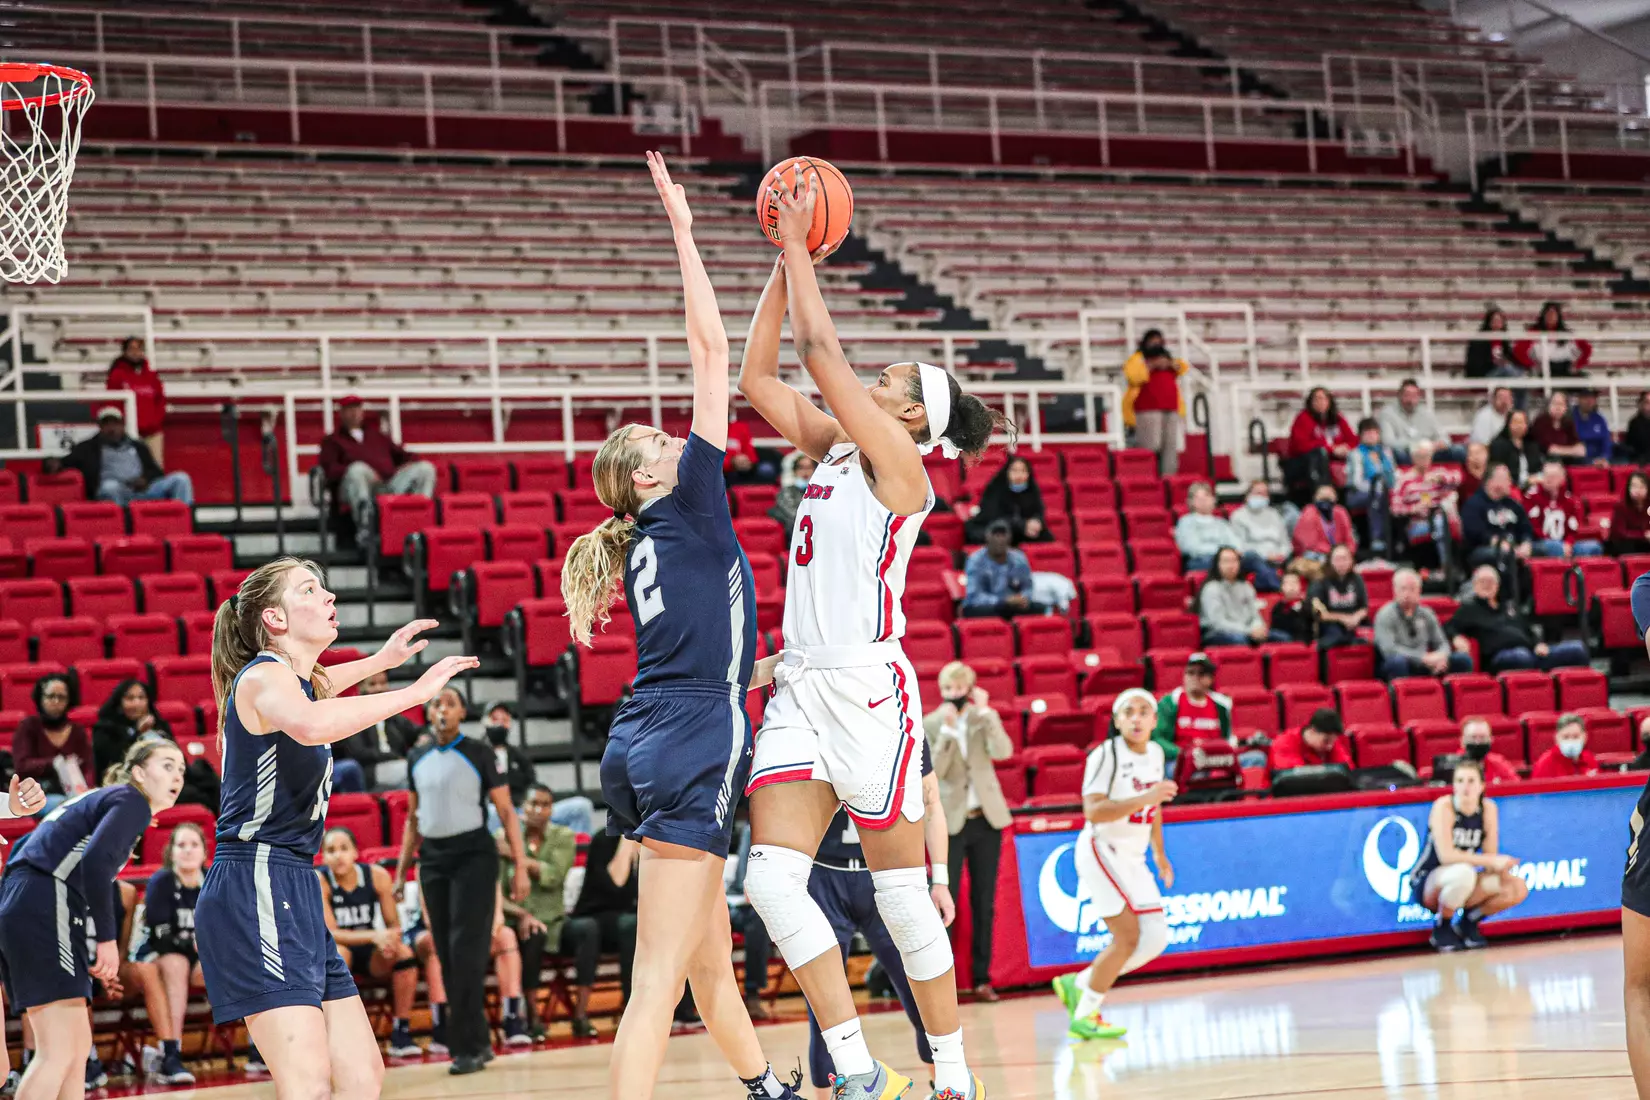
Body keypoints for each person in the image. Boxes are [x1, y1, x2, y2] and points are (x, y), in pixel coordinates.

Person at [737, 167, 1005, 1100]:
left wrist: (803, 239)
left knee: (901, 899)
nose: (875, 375)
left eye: (887, 377)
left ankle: (956, 1074)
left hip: (871, 692)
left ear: (910, 414)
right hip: (802, 683)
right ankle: (854, 1068)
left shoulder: (902, 465)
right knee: (771, 884)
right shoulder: (843, 446)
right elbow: (757, 375)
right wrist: (786, 255)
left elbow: (816, 347)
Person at [558, 153, 800, 1100]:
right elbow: (711, 355)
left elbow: (707, 646)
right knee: (655, 978)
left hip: (647, 733)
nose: (677, 437)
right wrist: (686, 232)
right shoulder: (690, 500)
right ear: (648, 476)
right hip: (697, 731)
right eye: (660, 442)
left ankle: (766, 1090)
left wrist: (768, 664)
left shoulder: (649, 536)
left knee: (705, 963)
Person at [194, 556, 476, 1100]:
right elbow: (311, 721)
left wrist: (381, 658)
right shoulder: (262, 678)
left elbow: (320, 690)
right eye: (309, 589)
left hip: (294, 882)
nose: (329, 597)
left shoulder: (293, 681)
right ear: (274, 619)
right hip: (255, 879)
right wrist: (414, 693)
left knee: (361, 1077)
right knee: (307, 1084)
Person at [0, 743, 159, 1100]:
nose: (178, 776)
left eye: (180, 768)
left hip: (23, 899)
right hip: (39, 902)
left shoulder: (89, 808)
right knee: (57, 1053)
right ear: (138, 772)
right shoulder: (129, 803)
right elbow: (95, 865)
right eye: (167, 765)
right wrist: (106, 940)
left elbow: (28, 845)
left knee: (74, 1049)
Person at [801, 743, 952, 1098]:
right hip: (823, 877)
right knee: (822, 1011)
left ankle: (946, 1086)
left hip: (883, 877)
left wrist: (941, 879)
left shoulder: (902, 722)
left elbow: (931, 803)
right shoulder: (815, 715)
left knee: (921, 997)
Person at [392, 685, 529, 1072]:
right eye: (436, 703)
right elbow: (413, 820)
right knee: (446, 951)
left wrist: (519, 865)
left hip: (474, 856)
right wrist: (402, 872)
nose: (442, 710)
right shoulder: (416, 755)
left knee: (465, 950)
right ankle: (479, 1040)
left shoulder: (480, 753)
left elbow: (505, 812)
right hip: (433, 859)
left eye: (450, 704)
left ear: (462, 713)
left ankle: (465, 1045)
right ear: (429, 712)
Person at [1051, 689, 1175, 1041]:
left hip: (1134, 856)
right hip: (1101, 849)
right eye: (1128, 712)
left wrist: (1159, 853)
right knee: (1127, 937)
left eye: (1143, 712)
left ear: (1154, 720)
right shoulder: (1106, 754)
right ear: (1117, 721)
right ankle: (1086, 1013)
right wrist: (1147, 798)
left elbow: (1155, 808)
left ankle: (1078, 983)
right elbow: (1093, 811)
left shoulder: (1155, 752)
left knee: (1155, 940)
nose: (1136, 718)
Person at [924, 662, 1010, 1004]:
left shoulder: (983, 718)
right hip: (950, 822)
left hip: (986, 818)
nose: (955, 696)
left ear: (971, 689)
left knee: (983, 902)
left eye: (961, 689)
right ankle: (941, 981)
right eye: (949, 690)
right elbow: (935, 771)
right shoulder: (932, 723)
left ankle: (981, 978)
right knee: (946, 901)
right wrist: (946, 734)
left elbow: (1004, 752)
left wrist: (987, 713)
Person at [498, 784, 595, 1040]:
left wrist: (515, 857)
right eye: (533, 804)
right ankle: (532, 1016)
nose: (539, 810)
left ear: (552, 809)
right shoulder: (503, 837)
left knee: (588, 929)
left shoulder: (563, 836)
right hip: (517, 921)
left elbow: (553, 876)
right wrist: (521, 915)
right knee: (533, 933)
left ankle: (581, 1015)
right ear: (522, 809)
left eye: (545, 804)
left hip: (556, 922)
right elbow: (495, 893)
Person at [317, 827, 421, 1059]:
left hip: (370, 949)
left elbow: (394, 925)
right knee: (340, 955)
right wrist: (375, 935)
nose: (338, 855)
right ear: (323, 857)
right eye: (331, 850)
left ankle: (401, 1032)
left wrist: (389, 941)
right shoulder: (320, 881)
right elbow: (330, 933)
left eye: (344, 849)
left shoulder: (377, 875)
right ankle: (338, 1037)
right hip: (338, 949)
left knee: (402, 952)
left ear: (356, 852)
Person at [1408, 759, 1528, 951]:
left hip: (1463, 881)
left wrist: (1499, 867)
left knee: (1516, 887)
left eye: (1471, 781)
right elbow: (1446, 856)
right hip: (1429, 882)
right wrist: (1491, 860)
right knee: (1463, 873)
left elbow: (1490, 859)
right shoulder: (1444, 806)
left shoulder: (1488, 808)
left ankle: (1468, 922)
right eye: (1460, 781)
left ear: (1481, 786)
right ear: (1453, 786)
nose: (1465, 786)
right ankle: (1442, 928)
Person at [137, 822, 208, 1085]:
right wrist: (196, 946)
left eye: (194, 845)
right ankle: (171, 1053)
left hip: (198, 959)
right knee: (176, 965)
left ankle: (256, 1047)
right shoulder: (162, 881)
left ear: (204, 851)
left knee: (235, 965)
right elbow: (161, 937)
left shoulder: (212, 880)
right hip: (156, 953)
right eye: (181, 845)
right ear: (171, 852)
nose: (188, 851)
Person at [1448, 565, 1589, 671]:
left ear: (1497, 586)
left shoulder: (1510, 607)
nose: (1487, 585)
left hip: (1531, 652)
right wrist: (1456, 637)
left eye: (1491, 581)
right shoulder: (1468, 609)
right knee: (1521, 657)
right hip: (1501, 656)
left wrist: (1537, 644)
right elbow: (1448, 627)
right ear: (1474, 586)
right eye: (1482, 581)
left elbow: (1528, 629)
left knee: (1578, 650)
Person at [318, 395, 438, 519]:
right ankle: (366, 523)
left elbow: (404, 455)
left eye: (357, 409)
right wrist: (365, 471)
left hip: (387, 484)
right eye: (350, 409)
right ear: (341, 413)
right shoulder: (332, 440)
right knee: (357, 470)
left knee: (425, 468)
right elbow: (330, 470)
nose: (354, 413)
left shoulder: (377, 436)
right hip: (354, 486)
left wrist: (410, 462)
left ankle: (420, 517)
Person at [50, 406, 193, 506]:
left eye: (116, 424)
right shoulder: (88, 448)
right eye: (107, 424)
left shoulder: (138, 446)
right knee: (110, 487)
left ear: (122, 425)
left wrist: (145, 480)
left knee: (181, 479)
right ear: (100, 427)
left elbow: (156, 471)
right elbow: (63, 462)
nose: (112, 429)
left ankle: (184, 521)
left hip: (142, 490)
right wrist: (50, 463)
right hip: (116, 491)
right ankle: (122, 526)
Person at [1176, 482, 1280, 591]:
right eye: (1199, 498)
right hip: (1202, 560)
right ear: (1191, 502)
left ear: (1213, 499)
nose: (1204, 501)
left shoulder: (1221, 523)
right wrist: (1222, 552)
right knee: (1224, 561)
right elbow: (1190, 547)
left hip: (1226, 558)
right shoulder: (1186, 521)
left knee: (1252, 556)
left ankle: (1276, 589)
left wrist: (1228, 553)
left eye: (1207, 496)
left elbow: (1236, 544)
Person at [331, 670, 419, 792]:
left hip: (396, 767)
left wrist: (426, 737)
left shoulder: (392, 715)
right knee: (413, 771)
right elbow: (359, 752)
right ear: (361, 688)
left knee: (413, 781)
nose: (379, 688)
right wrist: (393, 756)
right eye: (372, 684)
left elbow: (417, 731)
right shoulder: (353, 715)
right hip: (369, 771)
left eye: (383, 683)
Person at [10, 674, 91, 807]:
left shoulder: (77, 730)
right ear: (40, 699)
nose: (56, 701)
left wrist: (87, 790)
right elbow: (22, 766)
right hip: (36, 792)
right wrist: (53, 763)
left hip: (74, 791)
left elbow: (88, 767)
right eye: (50, 696)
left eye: (61, 697)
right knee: (65, 808)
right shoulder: (28, 727)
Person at [1374, 569, 1470, 680]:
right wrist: (1422, 658)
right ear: (1394, 590)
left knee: (1463, 660)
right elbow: (1389, 650)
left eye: (1412, 589)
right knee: (1397, 662)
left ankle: (1452, 695)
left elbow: (1442, 643)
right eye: (1403, 589)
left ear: (1419, 591)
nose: (1407, 594)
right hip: (1397, 664)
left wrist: (1441, 657)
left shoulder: (1427, 613)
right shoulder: (1385, 615)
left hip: (1426, 663)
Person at [1123, 334, 1188, 476]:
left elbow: (1183, 367)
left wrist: (1169, 364)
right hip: (1147, 409)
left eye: (1159, 342)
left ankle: (1169, 480)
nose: (1156, 345)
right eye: (1153, 342)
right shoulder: (1137, 359)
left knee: (1169, 447)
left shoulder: (1168, 359)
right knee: (1151, 445)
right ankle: (1147, 477)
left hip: (1171, 408)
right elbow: (1133, 376)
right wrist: (1152, 365)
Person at [1197, 547, 1285, 647]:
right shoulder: (1211, 588)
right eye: (1226, 561)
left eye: (1234, 561)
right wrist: (1248, 631)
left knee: (1281, 638)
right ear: (1217, 564)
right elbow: (1217, 623)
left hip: (1247, 631)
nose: (1231, 565)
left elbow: (1255, 615)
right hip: (1217, 633)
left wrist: (1258, 628)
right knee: (1239, 640)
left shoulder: (1246, 586)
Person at [1390, 441, 1459, 567]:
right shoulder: (1404, 481)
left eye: (1428, 456)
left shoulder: (1438, 473)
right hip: (1417, 523)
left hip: (1440, 515)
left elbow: (1458, 478)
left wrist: (1441, 479)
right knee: (1441, 524)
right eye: (1421, 457)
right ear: (1413, 458)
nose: (1425, 460)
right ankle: (1446, 566)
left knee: (1445, 520)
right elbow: (1395, 508)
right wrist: (1413, 508)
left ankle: (1450, 566)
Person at [1151, 654, 1231, 760]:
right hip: (1180, 760)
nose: (1195, 677)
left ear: (1211, 679)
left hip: (1214, 759)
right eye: (1191, 673)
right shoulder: (1170, 702)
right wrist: (1182, 754)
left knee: (1255, 758)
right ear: (1184, 676)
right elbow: (1158, 738)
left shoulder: (1221, 705)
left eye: (1201, 674)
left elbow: (1227, 740)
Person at [90, 678, 173, 778]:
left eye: (141, 697)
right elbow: (116, 762)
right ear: (119, 703)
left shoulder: (160, 725)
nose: (136, 703)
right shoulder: (105, 728)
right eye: (130, 698)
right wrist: (138, 733)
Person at [962, 519, 1045, 618]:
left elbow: (1028, 586)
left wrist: (1023, 598)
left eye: (1003, 535)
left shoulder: (1019, 558)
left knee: (1040, 608)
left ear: (1009, 539)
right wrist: (1003, 601)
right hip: (987, 606)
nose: (1000, 539)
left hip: (1012, 605)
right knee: (979, 610)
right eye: (996, 535)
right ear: (987, 537)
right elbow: (974, 596)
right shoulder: (975, 560)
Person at [1460, 464, 1533, 577]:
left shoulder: (1513, 504)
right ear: (1492, 481)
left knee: (1549, 548)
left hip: (1515, 546)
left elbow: (1526, 527)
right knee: (1503, 554)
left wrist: (1526, 543)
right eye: (1507, 478)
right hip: (1483, 549)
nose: (1511, 482)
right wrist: (1498, 543)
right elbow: (1474, 533)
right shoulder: (1474, 504)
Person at [1284, 387, 1355, 499]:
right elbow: (1300, 446)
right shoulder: (1303, 418)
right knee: (1319, 454)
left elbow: (1353, 440)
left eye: (1324, 399)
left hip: (1332, 460)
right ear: (1310, 402)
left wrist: (1346, 448)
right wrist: (1332, 449)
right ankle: (1323, 495)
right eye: (1317, 399)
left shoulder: (1337, 418)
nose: (1321, 402)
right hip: (1302, 463)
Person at [1524, 460, 1604, 558]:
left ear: (1562, 478)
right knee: (1555, 547)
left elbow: (1573, 529)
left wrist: (1568, 544)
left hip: (1564, 544)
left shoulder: (1570, 501)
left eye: (1553, 477)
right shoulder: (1531, 497)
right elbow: (1533, 527)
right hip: (1540, 544)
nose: (1549, 480)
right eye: (1546, 476)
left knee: (1594, 547)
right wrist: (1559, 545)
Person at [106, 337, 167, 465]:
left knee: (155, 467)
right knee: (130, 468)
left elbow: (160, 401)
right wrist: (123, 426)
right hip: (128, 432)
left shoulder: (152, 376)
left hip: (152, 433)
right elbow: (113, 403)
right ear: (124, 352)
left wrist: (155, 422)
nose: (135, 352)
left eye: (139, 349)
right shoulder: (117, 375)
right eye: (131, 349)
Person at [965, 455, 1050, 544]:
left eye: (1023, 471)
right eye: (1014, 470)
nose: (1019, 475)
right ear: (1007, 472)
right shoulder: (996, 490)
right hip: (994, 529)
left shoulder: (1032, 490)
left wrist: (1036, 522)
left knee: (1046, 537)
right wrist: (1023, 525)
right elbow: (994, 518)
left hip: (1024, 532)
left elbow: (1038, 512)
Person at [1345, 418, 1396, 557]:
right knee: (1377, 497)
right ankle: (1377, 539)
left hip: (1383, 491)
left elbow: (1393, 475)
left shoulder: (1386, 453)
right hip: (1358, 494)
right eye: (1367, 432)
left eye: (1374, 432)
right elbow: (1356, 482)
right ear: (1360, 435)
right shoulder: (1355, 454)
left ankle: (1397, 542)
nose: (1371, 435)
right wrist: (1377, 489)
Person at [1379, 379, 1460, 463]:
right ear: (1399, 395)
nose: (1411, 400)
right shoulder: (1387, 413)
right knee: (1397, 453)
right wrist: (1417, 446)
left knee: (1459, 450)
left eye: (1414, 396)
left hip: (1430, 453)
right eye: (1407, 395)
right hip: (1406, 453)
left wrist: (1435, 445)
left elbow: (1445, 439)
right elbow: (1388, 442)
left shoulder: (1427, 413)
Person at [1309, 544, 1368, 649]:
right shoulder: (1320, 581)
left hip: (1354, 623)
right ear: (1330, 561)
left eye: (1345, 559)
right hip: (1331, 625)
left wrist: (1356, 618)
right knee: (1337, 637)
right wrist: (1343, 618)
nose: (1341, 563)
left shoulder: (1357, 579)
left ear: (1351, 560)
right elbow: (1319, 613)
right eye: (1337, 559)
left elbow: (1364, 608)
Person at [1514, 301, 1591, 377]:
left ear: (1559, 316)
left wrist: (1577, 365)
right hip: (1543, 369)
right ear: (1543, 315)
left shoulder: (1567, 333)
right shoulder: (1533, 332)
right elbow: (1518, 350)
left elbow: (1587, 349)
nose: (1551, 316)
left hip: (1565, 368)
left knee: (1584, 381)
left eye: (1554, 313)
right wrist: (1532, 365)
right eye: (1548, 313)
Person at [1229, 481, 1291, 574]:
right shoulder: (1238, 516)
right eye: (1258, 493)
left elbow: (1285, 543)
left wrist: (1281, 555)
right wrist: (1265, 556)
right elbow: (1240, 546)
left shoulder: (1274, 514)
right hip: (1254, 558)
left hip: (1278, 558)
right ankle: (1277, 584)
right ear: (1248, 496)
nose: (1262, 496)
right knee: (1252, 558)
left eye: (1265, 493)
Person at [1268, 709, 1352, 773]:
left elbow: (1347, 770)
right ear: (1312, 731)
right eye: (1326, 741)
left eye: (1333, 742)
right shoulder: (1284, 742)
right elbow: (1295, 776)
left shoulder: (1331, 740)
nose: (1330, 747)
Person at [1292, 484, 1357, 561]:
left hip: (1337, 552)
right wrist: (1334, 552)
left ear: (1336, 498)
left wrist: (1346, 552)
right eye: (1322, 498)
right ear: (1315, 498)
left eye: (1329, 497)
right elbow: (1309, 545)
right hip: (1315, 554)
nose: (1326, 502)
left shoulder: (1340, 511)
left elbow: (1349, 538)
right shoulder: (1309, 512)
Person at [1529, 714, 1599, 780]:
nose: (1571, 741)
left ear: (1585, 737)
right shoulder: (1544, 763)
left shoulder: (1590, 758)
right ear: (1557, 738)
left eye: (1576, 736)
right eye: (1565, 737)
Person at [1488, 409, 1543, 485]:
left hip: (1533, 484)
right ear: (1508, 424)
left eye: (1522, 422)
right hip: (1509, 485)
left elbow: (1538, 467)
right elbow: (1498, 471)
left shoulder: (1532, 444)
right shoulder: (1498, 445)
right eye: (1516, 422)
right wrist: (1526, 481)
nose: (1519, 425)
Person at [1458, 717, 1519, 785]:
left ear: (1491, 740)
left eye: (1483, 737)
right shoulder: (1451, 766)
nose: (1478, 742)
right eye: (1473, 737)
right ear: (1462, 741)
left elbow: (1517, 787)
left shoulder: (1498, 763)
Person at [1531, 391, 1587, 464]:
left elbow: (1581, 450)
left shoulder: (1568, 422)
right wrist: (1571, 451)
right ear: (1548, 406)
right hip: (1545, 461)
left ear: (1566, 408)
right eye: (1554, 404)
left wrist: (1562, 450)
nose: (1558, 407)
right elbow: (1550, 450)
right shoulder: (1541, 421)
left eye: (1561, 404)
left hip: (1566, 460)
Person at [768, 451, 818, 533]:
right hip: (795, 531)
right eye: (801, 468)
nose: (805, 472)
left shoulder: (820, 493)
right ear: (794, 471)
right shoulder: (786, 492)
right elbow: (793, 514)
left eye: (809, 467)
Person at [1464, 308, 1519, 380]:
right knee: (1508, 369)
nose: (1498, 323)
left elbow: (1510, 357)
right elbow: (1476, 364)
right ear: (1489, 322)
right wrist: (1495, 362)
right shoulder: (1479, 340)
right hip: (1485, 374)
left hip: (1501, 371)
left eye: (1500, 321)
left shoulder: (1503, 340)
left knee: (1518, 370)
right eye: (1495, 320)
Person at [1612, 471, 1650, 556]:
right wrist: (1643, 535)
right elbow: (1620, 533)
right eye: (1634, 486)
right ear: (1628, 488)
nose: (1638, 490)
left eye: (1642, 487)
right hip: (1627, 546)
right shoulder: (1620, 506)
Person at [1268, 572, 1313, 644]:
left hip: (1302, 640)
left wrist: (1297, 609)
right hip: (1281, 639)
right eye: (1288, 583)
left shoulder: (1307, 604)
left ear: (1300, 586)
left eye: (1295, 583)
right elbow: (1277, 627)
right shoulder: (1278, 606)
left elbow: (1305, 626)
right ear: (1282, 587)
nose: (1292, 586)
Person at [1572, 389, 1614, 464]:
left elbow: (1606, 442)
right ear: (1579, 399)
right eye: (1586, 398)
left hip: (1599, 460)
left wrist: (1604, 457)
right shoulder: (1570, 418)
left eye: (1592, 398)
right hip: (1578, 460)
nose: (1589, 401)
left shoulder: (1599, 419)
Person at [1624, 393, 1650, 463]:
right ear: (1641, 404)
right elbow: (1639, 447)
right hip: (1641, 461)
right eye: (1647, 402)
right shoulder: (1635, 423)